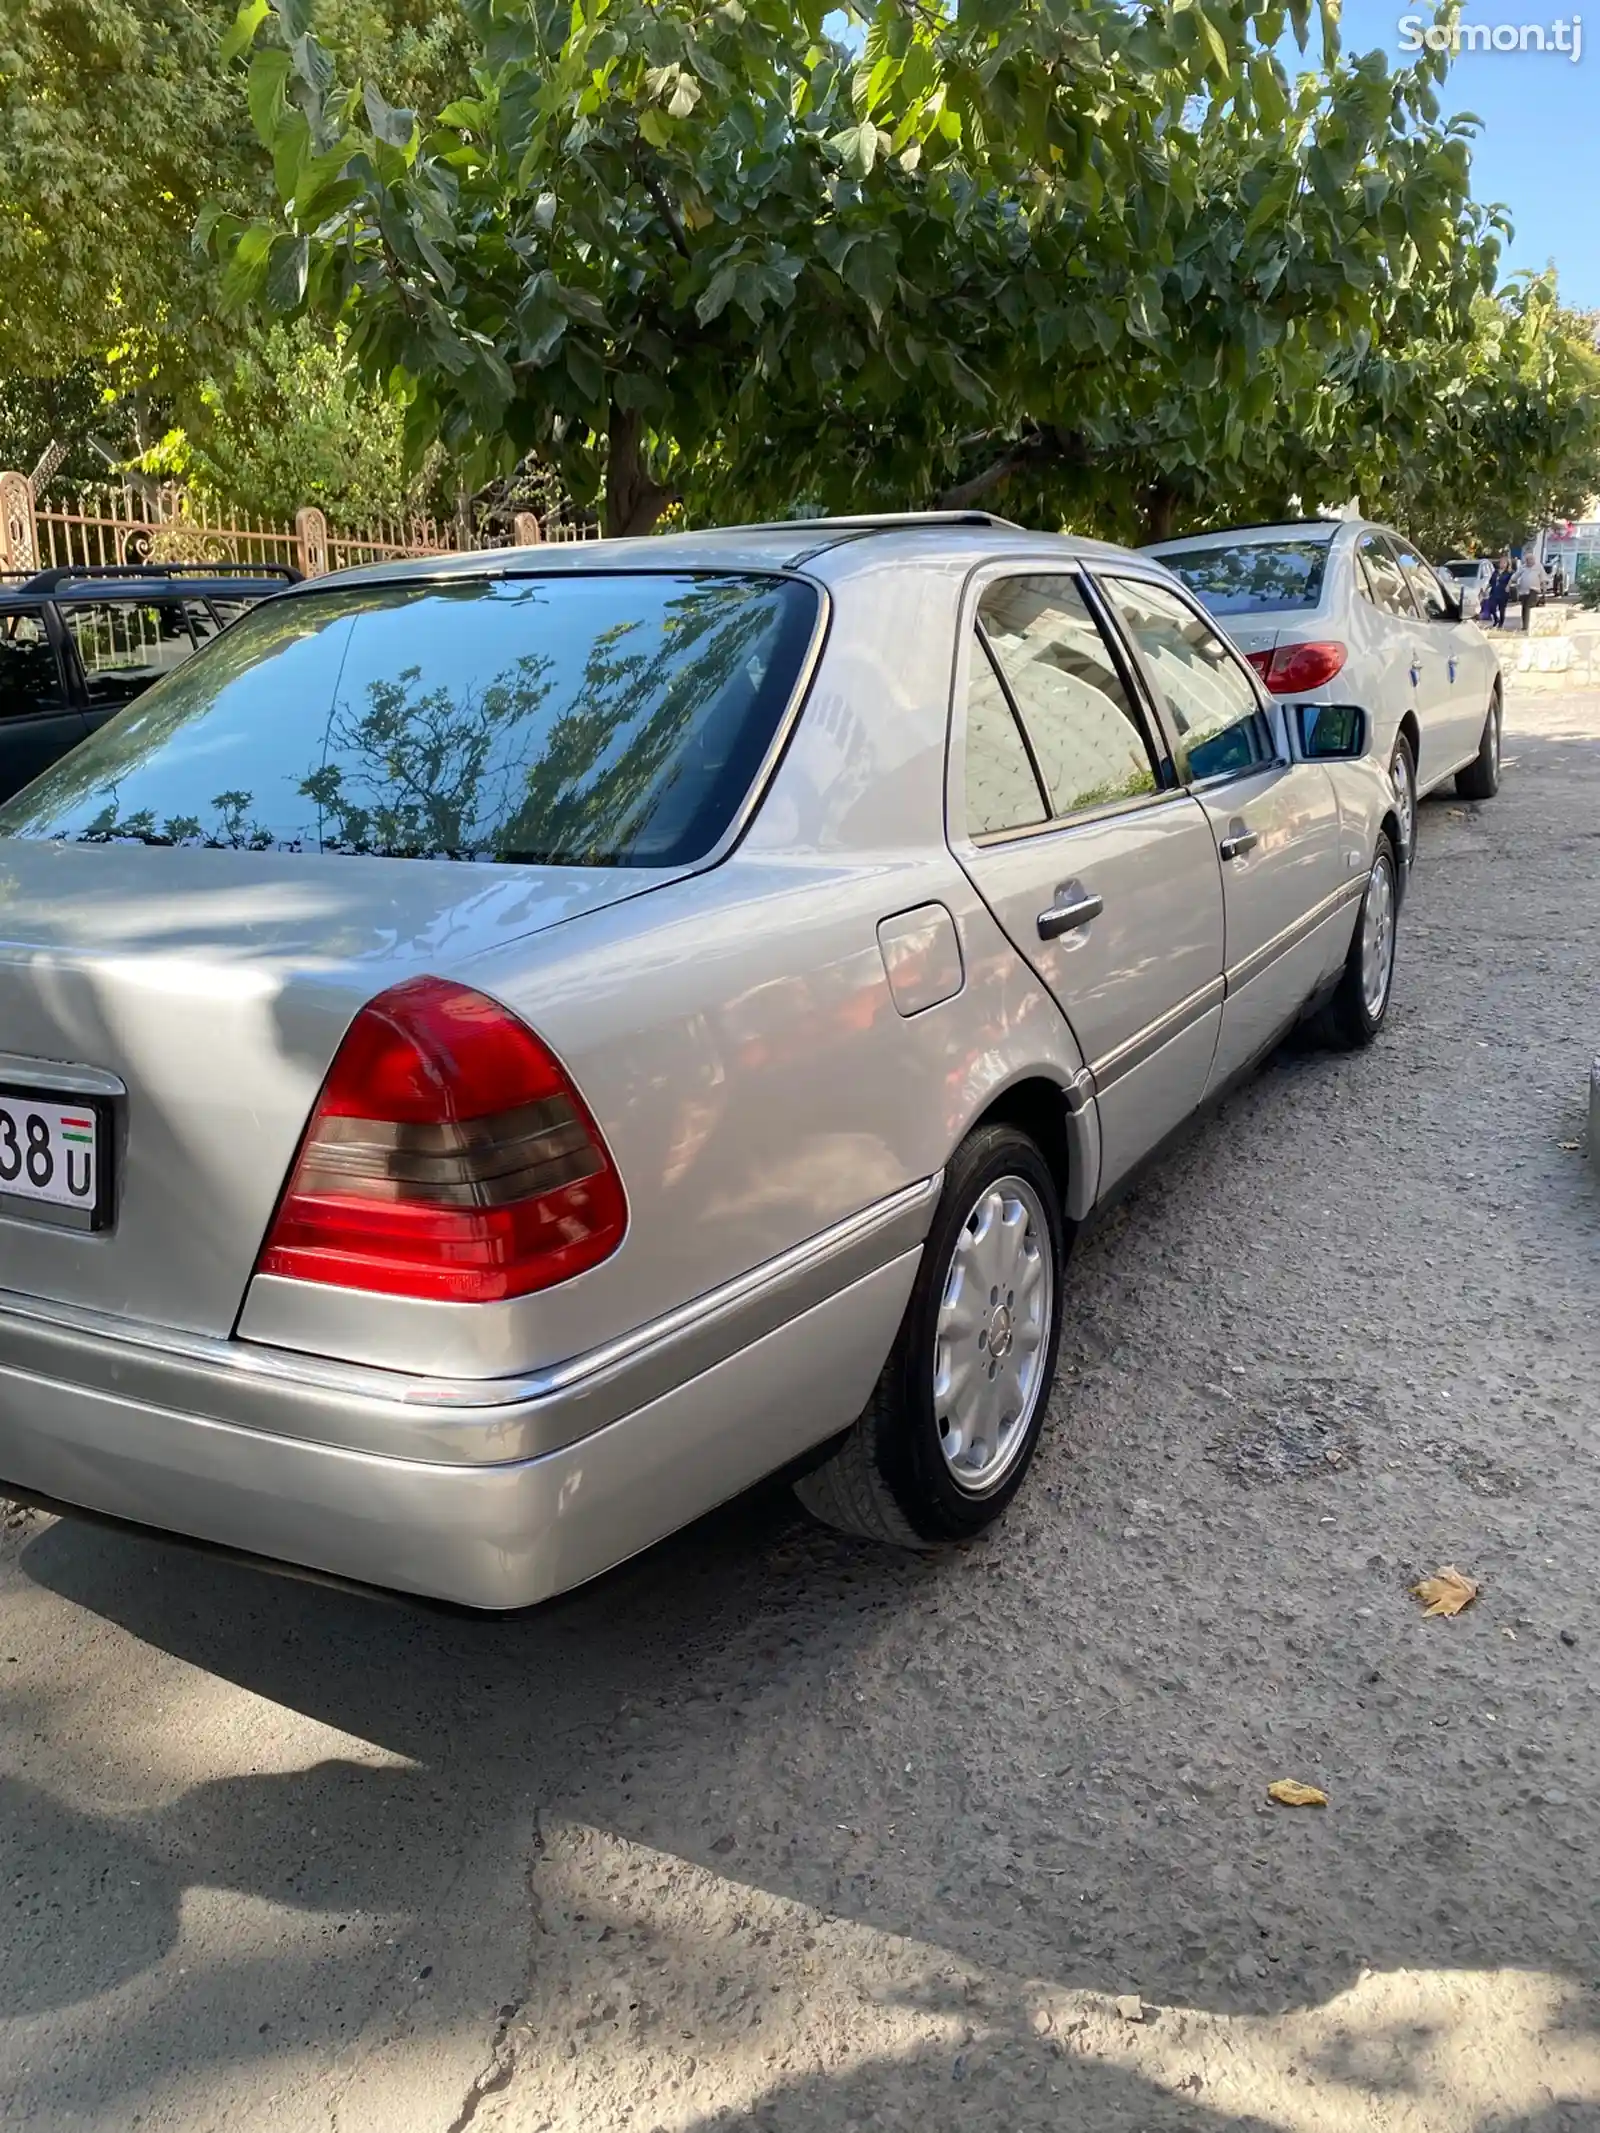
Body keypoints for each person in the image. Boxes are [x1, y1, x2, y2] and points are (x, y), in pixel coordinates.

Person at [1513, 549, 1543, 632]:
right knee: (1524, 608)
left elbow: (1543, 577)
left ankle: (1528, 626)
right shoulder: (1522, 567)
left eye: (1531, 559)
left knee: (1529, 607)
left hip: (1534, 590)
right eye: (1527, 560)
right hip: (1523, 591)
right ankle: (1525, 625)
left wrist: (1544, 587)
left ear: (1534, 560)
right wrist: (1511, 583)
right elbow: (1515, 577)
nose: (1529, 561)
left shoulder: (1538, 567)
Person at [1489, 553, 1513, 628]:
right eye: (1501, 562)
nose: (1502, 564)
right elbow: (1491, 581)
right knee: (1491, 607)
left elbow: (1512, 581)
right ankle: (1496, 619)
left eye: (1504, 563)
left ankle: (1501, 624)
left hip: (1503, 593)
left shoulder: (1509, 573)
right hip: (1494, 592)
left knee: (1502, 609)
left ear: (1507, 564)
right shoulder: (1496, 572)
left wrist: (1508, 586)